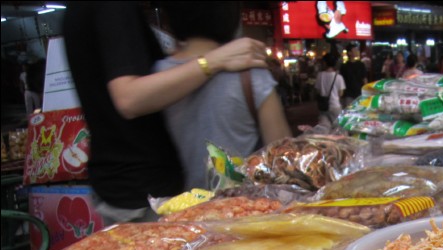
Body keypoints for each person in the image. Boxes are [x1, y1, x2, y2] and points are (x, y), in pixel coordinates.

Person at [63, 1, 269, 223]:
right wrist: (213, 61)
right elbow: (128, 99)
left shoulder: (83, 10)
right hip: (145, 197)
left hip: (126, 187)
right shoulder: (113, 7)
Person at [156, 3, 291, 190]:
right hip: (248, 210)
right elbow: (283, 158)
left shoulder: (158, 76)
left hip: (182, 209)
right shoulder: (252, 72)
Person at [315, 52, 346, 128]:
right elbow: (341, 93)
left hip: (323, 106)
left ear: (325, 63)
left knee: (324, 129)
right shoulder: (339, 77)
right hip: (335, 106)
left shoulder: (320, 75)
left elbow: (318, 91)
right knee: (339, 130)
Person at [340, 44, 367, 108]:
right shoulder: (344, 66)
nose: (356, 51)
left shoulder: (361, 64)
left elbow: (364, 79)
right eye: (354, 50)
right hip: (348, 94)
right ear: (349, 53)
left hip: (359, 93)